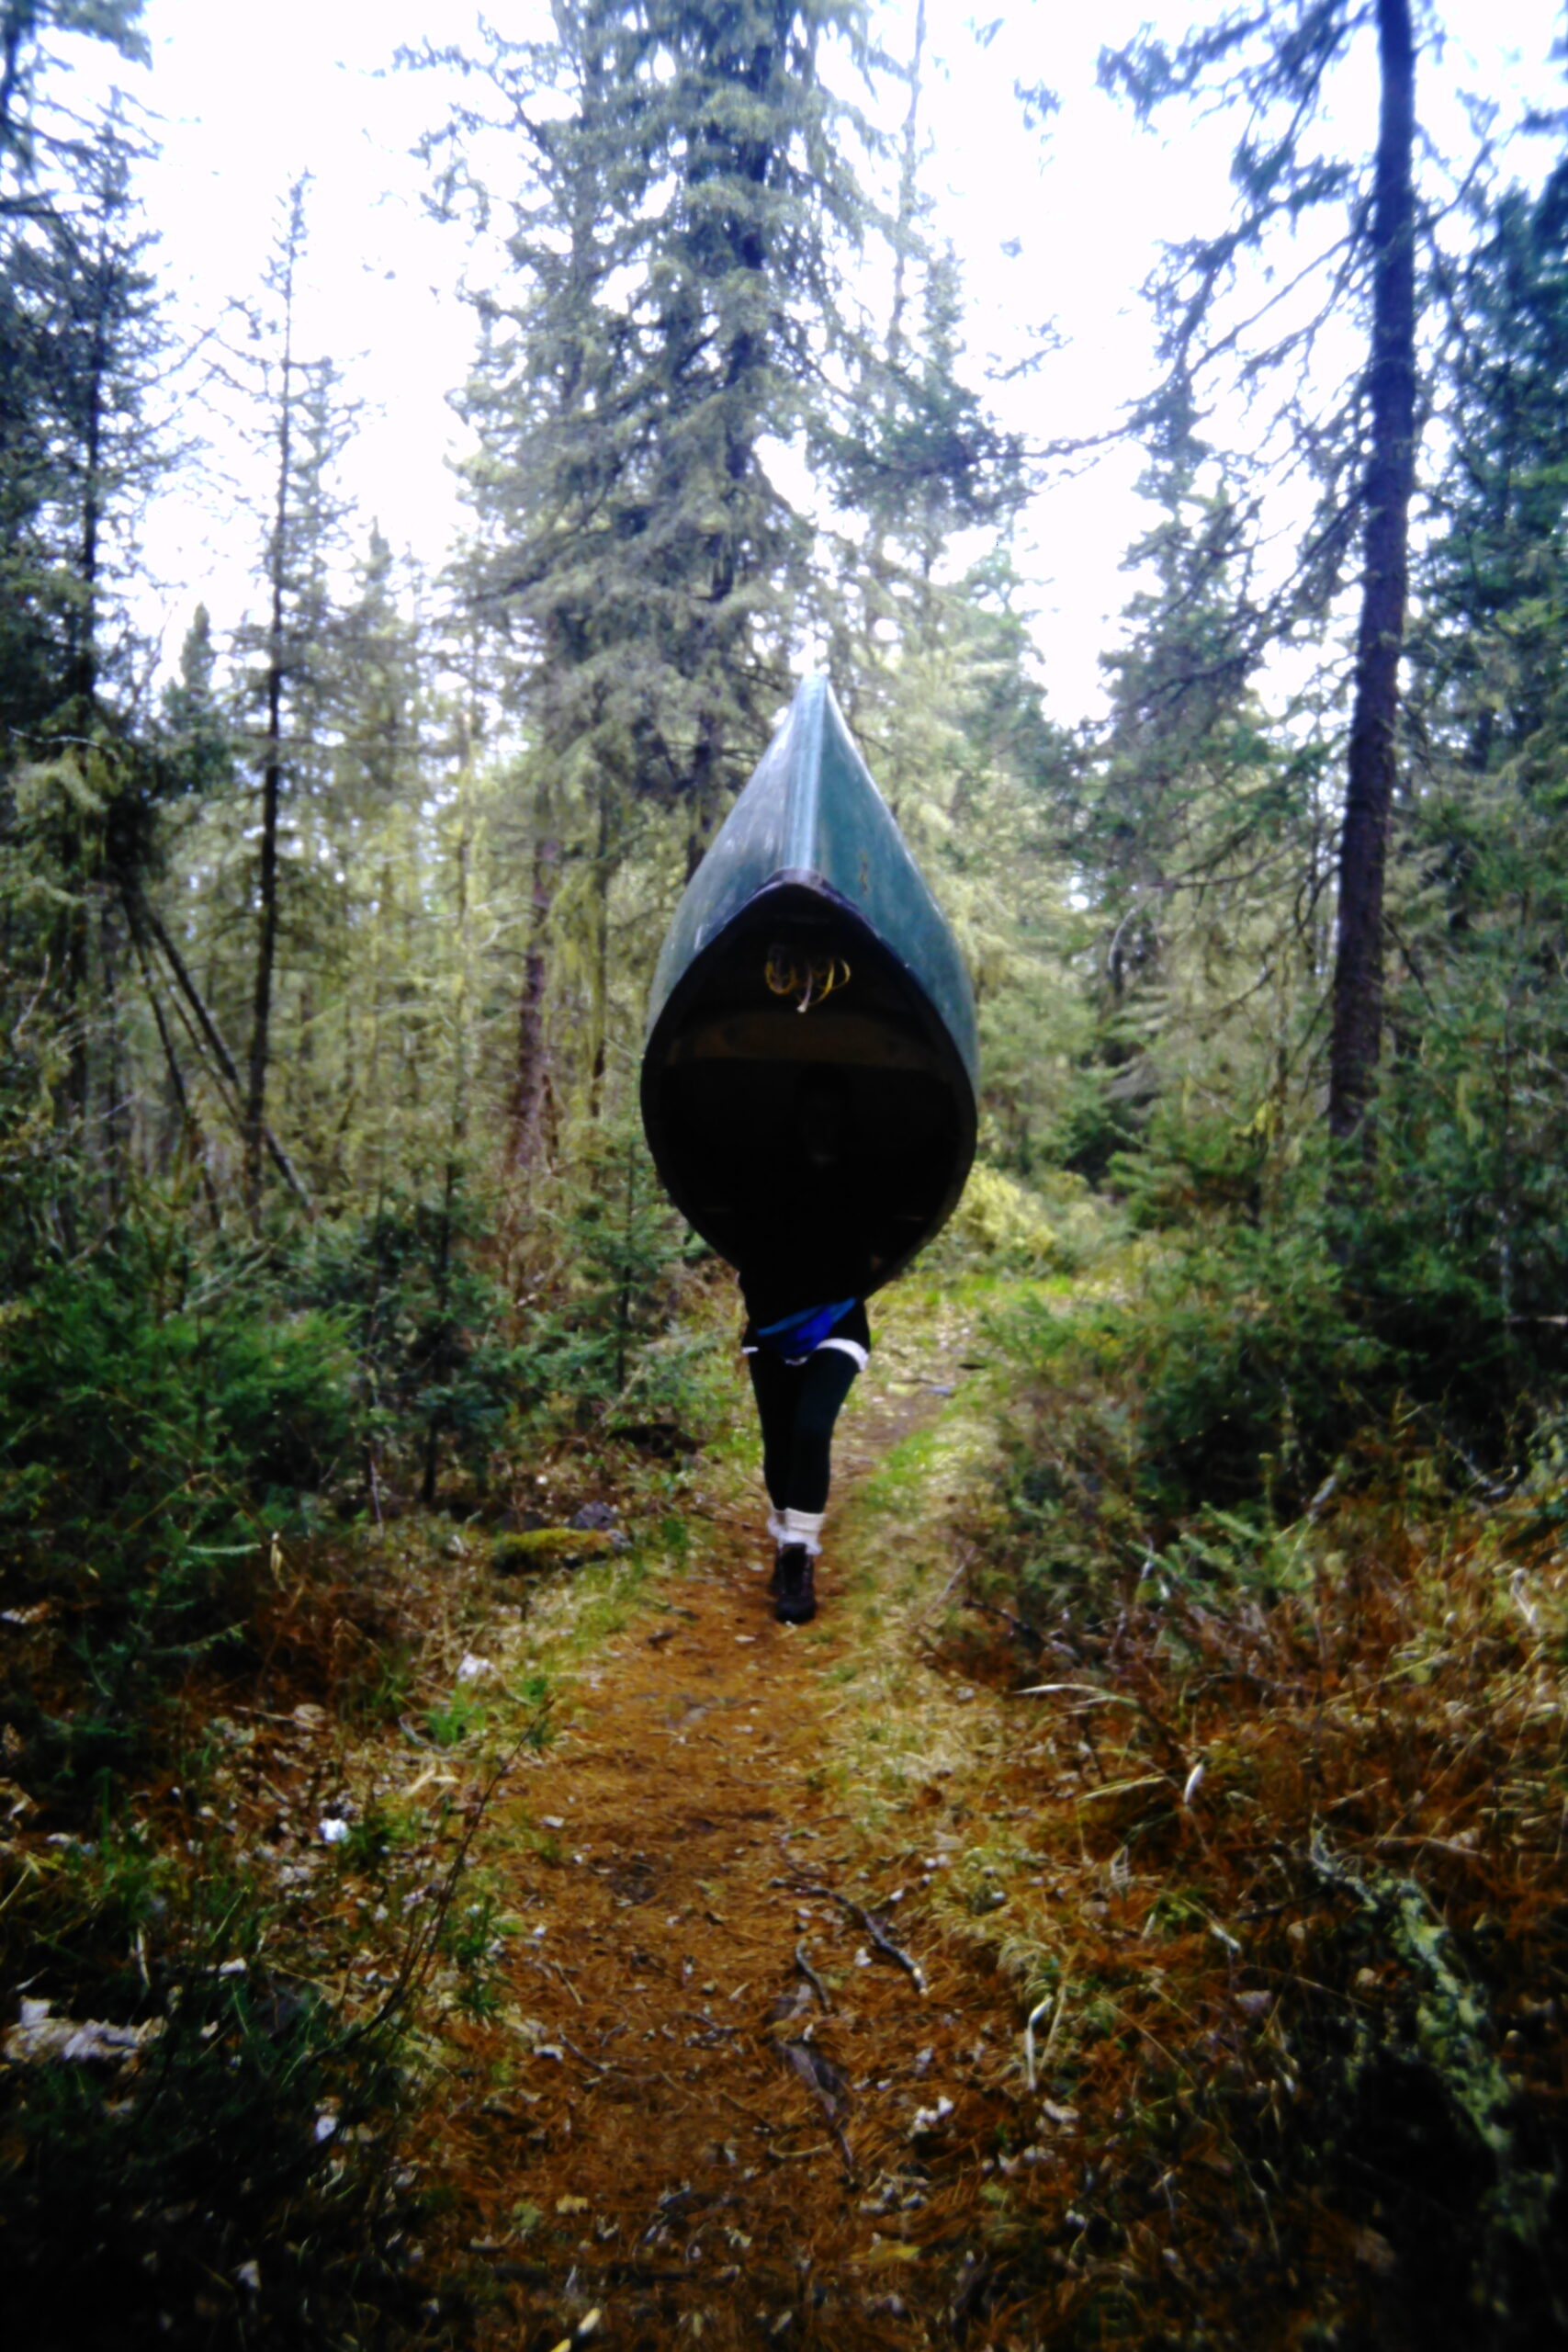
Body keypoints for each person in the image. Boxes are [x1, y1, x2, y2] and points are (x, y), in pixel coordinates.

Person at [738, 1071, 874, 1625]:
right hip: (772, 1324)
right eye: (812, 1114)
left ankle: (799, 1557)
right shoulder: (770, 1175)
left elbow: (877, 1249)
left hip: (839, 1321)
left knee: (811, 1430)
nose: (821, 1126)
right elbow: (747, 1244)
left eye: (829, 1115)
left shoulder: (862, 1176)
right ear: (798, 1120)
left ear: (842, 1121)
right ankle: (785, 1540)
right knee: (779, 1443)